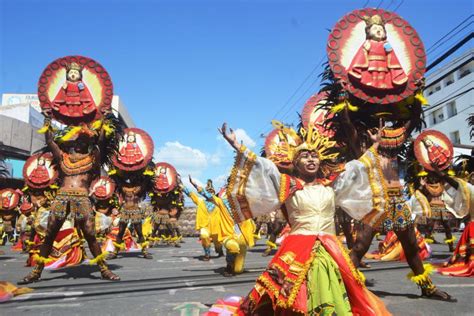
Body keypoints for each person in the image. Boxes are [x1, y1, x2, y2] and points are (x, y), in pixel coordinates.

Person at [219, 122, 390, 315]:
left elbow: (356, 168)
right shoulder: (288, 185)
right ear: (295, 163)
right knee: (289, 296)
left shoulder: (331, 185)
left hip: (330, 248)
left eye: (314, 156)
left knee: (337, 291)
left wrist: (374, 146)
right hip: (297, 247)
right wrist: (237, 145)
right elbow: (263, 167)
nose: (311, 160)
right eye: (304, 156)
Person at [19, 117, 120, 283]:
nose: (79, 143)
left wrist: (102, 123)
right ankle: (36, 272)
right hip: (61, 197)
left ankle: (104, 269)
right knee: (50, 234)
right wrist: (47, 121)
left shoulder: (93, 158)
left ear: (89, 143)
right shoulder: (63, 158)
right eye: (78, 140)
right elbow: (50, 141)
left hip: (82, 198)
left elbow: (101, 142)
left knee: (90, 234)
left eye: (84, 140)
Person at [348, 14, 407, 90]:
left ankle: (382, 82)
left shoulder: (385, 43)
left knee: (382, 71)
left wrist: (389, 49)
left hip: (383, 61)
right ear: (369, 31)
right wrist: (366, 49)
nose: (378, 30)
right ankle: (374, 82)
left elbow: (390, 52)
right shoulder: (368, 42)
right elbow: (362, 53)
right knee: (374, 71)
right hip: (372, 60)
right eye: (375, 28)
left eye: (381, 29)